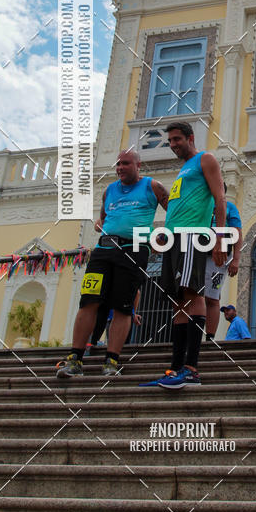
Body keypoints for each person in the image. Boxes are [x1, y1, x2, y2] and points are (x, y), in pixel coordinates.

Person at [56, 150, 168, 378]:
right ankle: (75, 359)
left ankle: (111, 362)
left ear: (138, 165)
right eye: (118, 164)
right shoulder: (109, 190)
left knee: (123, 307)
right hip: (104, 249)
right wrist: (100, 223)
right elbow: (102, 218)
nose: (120, 168)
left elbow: (174, 211)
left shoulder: (152, 186)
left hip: (135, 248)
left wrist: (165, 235)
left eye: (125, 164)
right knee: (88, 301)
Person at [140, 122, 227, 389]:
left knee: (193, 295)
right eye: (170, 141)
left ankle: (191, 369)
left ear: (190, 138)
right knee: (178, 302)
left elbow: (220, 197)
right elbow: (175, 210)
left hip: (193, 236)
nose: (173, 144)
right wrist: (164, 236)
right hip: (174, 240)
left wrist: (220, 239)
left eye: (177, 139)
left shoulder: (206, 159)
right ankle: (175, 368)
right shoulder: (183, 171)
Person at [205, 184, 243, 342]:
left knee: (212, 297)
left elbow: (237, 232)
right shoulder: (202, 205)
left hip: (220, 258)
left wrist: (236, 259)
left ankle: (210, 337)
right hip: (199, 251)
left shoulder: (230, 207)